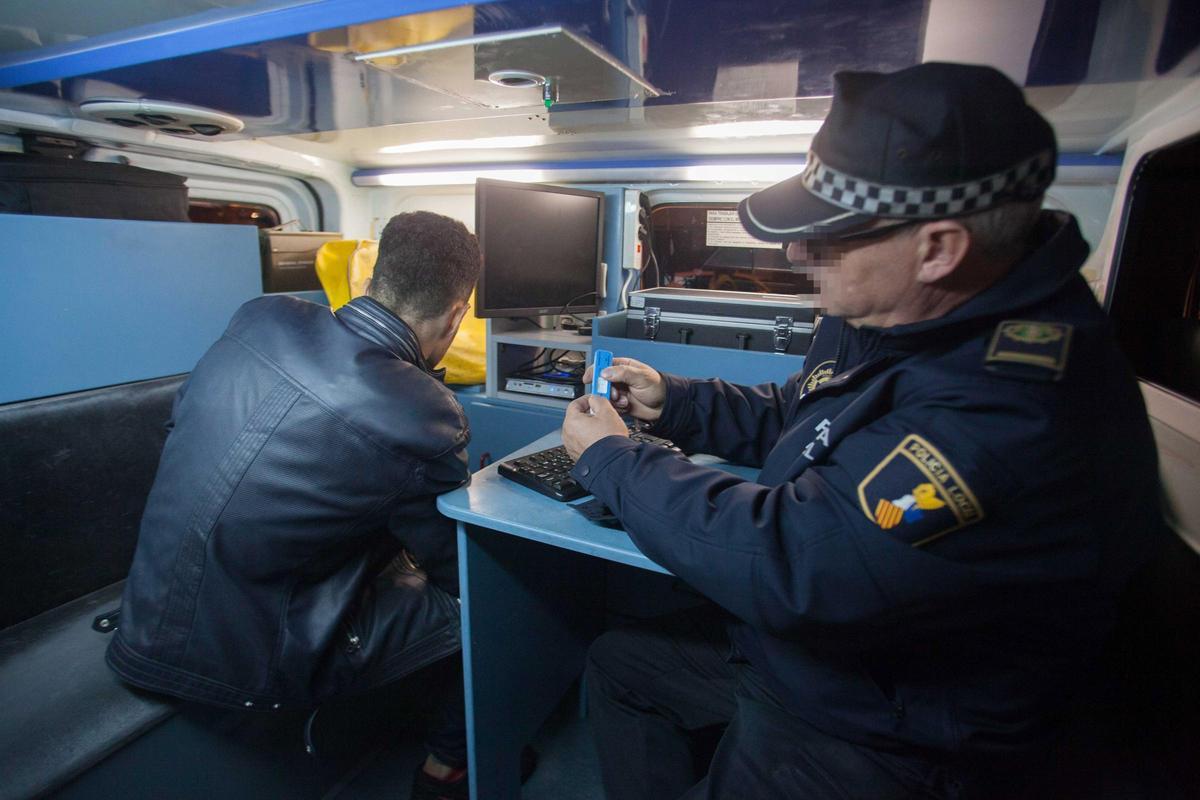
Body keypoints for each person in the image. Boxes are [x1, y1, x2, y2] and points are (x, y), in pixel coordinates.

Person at [561, 63, 1166, 799]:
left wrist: (614, 461)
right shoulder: (905, 308)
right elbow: (807, 412)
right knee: (622, 667)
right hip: (817, 661)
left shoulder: (1012, 409)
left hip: (887, 728)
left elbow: (793, 564)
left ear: (938, 248)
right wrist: (679, 403)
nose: (797, 254)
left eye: (826, 238)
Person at [107, 211, 480, 799]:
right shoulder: (424, 412)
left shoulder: (261, 316)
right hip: (246, 657)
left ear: (371, 279)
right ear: (457, 314)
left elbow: (181, 423)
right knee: (480, 596)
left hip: (146, 614)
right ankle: (446, 771)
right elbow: (451, 563)